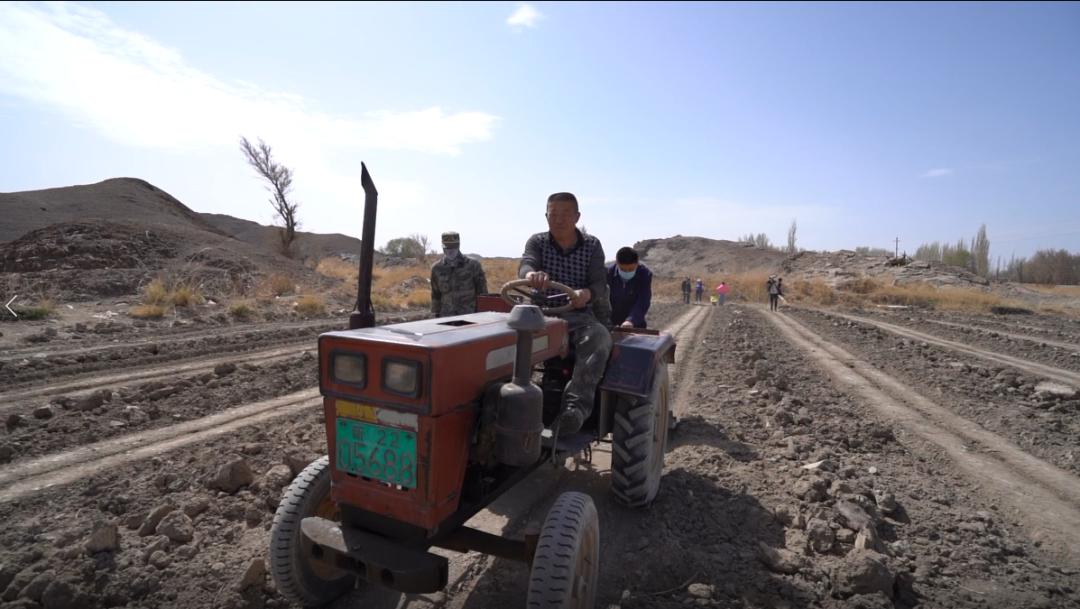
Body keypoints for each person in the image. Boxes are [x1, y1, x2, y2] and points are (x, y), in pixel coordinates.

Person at [520, 192, 612, 435]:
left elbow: (599, 283)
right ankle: (512, 400)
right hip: (540, 315)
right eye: (553, 214)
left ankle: (575, 410)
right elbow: (527, 264)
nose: (558, 219)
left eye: (565, 214)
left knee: (599, 337)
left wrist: (586, 294)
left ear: (577, 216)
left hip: (577, 316)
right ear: (546, 216)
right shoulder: (537, 242)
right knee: (504, 340)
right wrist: (530, 275)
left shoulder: (592, 245)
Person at [430, 231, 487, 317]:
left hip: (470, 316)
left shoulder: (473, 265)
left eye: (454, 247)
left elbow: (482, 292)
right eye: (447, 247)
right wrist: (436, 315)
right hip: (446, 317)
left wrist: (482, 314)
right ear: (443, 247)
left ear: (458, 246)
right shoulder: (437, 268)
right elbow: (435, 294)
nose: (450, 251)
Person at [607, 246, 652, 328]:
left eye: (631, 269)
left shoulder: (644, 274)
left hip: (636, 323)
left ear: (637, 263)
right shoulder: (607, 274)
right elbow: (602, 300)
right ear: (617, 263)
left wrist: (631, 320)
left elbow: (643, 300)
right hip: (611, 323)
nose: (627, 272)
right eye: (622, 269)